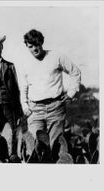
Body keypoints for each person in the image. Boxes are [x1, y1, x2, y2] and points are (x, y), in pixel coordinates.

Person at [20, 29, 81, 160]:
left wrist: (71, 93)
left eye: (36, 45)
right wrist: (25, 106)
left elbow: (75, 72)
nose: (34, 49)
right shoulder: (25, 63)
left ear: (41, 42)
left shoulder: (56, 56)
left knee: (56, 147)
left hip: (56, 108)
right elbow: (23, 87)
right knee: (35, 148)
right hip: (35, 110)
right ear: (26, 46)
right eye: (30, 46)